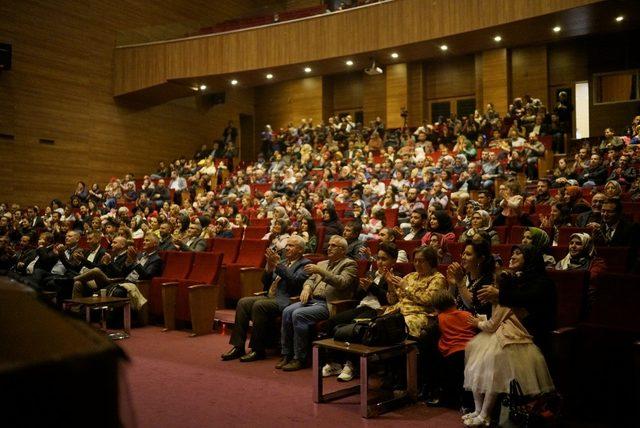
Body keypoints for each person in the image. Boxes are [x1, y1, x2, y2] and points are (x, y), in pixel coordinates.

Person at [462, 270, 555, 427]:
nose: (491, 286)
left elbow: (492, 325)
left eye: (494, 283)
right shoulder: (498, 300)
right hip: (495, 337)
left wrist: (477, 323)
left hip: (505, 339)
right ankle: (478, 411)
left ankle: (485, 414)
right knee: (475, 371)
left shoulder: (506, 302)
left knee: (493, 379)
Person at [221, 236, 310, 362]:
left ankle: (258, 349)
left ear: (300, 250)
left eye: (292, 246)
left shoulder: (306, 264)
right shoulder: (283, 262)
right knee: (243, 302)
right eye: (287, 245)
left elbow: (295, 281)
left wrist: (278, 265)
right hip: (270, 296)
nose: (287, 248)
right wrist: (269, 266)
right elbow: (265, 282)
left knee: (259, 305)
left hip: (287, 300)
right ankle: (238, 346)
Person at [278, 236, 357, 371]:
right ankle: (287, 353)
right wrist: (307, 288)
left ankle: (300, 358)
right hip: (313, 300)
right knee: (287, 311)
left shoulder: (349, 264)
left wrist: (321, 271)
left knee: (298, 314)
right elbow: (310, 279)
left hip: (329, 304)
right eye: (329, 244)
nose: (329, 247)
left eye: (334, 246)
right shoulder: (322, 263)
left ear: (343, 250)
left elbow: (342, 282)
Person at [322, 243, 397, 382]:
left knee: (353, 326)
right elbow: (357, 296)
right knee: (332, 321)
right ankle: (335, 363)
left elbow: (389, 300)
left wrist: (372, 287)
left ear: (393, 260)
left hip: (378, 311)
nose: (379, 262)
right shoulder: (373, 273)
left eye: (384, 259)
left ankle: (352, 365)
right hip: (362, 306)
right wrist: (363, 286)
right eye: (378, 258)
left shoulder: (395, 276)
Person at [477, 245, 557, 356]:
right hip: (510, 330)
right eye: (513, 253)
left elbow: (526, 299)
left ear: (530, 257)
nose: (512, 257)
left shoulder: (543, 282)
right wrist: (492, 299)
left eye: (518, 253)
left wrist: (498, 294)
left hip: (531, 334)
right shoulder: (517, 279)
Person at [432, 289, 476, 410]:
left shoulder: (440, 318)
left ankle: (450, 400)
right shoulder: (467, 314)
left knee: (452, 378)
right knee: (467, 379)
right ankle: (468, 404)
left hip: (452, 353)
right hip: (472, 351)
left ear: (436, 307)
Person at [446, 240, 495, 318]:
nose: (463, 257)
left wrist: (460, 282)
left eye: (468, 254)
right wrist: (452, 286)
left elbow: (472, 306)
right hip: (457, 317)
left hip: (473, 322)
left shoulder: (488, 280)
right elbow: (448, 303)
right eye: (463, 253)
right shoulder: (465, 276)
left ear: (480, 259)